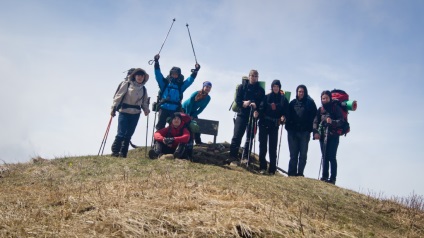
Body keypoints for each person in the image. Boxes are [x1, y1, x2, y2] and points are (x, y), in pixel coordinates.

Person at [153, 54, 200, 130]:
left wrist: (195, 71)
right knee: (160, 126)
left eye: (176, 74)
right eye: (173, 74)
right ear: (170, 74)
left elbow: (189, 81)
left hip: (174, 109)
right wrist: (156, 62)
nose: (174, 75)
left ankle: (172, 141)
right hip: (163, 108)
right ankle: (157, 141)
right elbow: (158, 75)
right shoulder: (164, 84)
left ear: (179, 75)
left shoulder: (180, 86)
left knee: (174, 127)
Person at [227, 70, 265, 164]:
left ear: (258, 77)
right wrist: (243, 103)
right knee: (237, 136)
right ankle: (233, 156)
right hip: (242, 114)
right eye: (252, 76)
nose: (254, 77)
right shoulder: (242, 87)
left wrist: (257, 110)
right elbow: (237, 99)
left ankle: (245, 158)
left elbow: (262, 104)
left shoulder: (260, 90)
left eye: (256, 76)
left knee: (249, 138)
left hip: (253, 116)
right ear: (249, 76)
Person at [110, 68, 150, 158]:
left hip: (136, 114)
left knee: (129, 134)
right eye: (138, 75)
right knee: (121, 133)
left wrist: (146, 110)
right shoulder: (127, 84)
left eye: (142, 76)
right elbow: (118, 96)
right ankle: (115, 151)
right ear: (134, 76)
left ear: (144, 77)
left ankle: (123, 153)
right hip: (124, 112)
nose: (140, 77)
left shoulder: (143, 89)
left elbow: (144, 102)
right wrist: (113, 108)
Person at [313, 90, 345, 184]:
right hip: (323, 135)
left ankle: (332, 178)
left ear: (330, 98)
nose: (324, 100)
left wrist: (332, 122)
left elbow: (341, 121)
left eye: (326, 98)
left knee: (332, 156)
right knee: (324, 156)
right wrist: (315, 132)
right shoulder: (320, 110)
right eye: (323, 98)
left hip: (334, 136)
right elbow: (315, 121)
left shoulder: (335, 108)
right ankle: (324, 177)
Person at [257, 80, 289, 174]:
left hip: (274, 125)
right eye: (274, 86)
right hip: (263, 124)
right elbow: (261, 108)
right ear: (272, 87)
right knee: (262, 146)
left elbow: (287, 111)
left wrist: (284, 117)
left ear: (279, 88)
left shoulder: (283, 99)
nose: (275, 88)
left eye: (277, 86)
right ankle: (262, 167)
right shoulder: (266, 97)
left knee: (273, 148)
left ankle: (272, 170)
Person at [285, 85, 317, 177]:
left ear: (305, 92)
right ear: (297, 92)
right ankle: (291, 173)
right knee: (293, 154)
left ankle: (300, 173)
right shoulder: (292, 103)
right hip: (292, 132)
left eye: (302, 91)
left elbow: (315, 117)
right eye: (299, 91)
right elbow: (287, 115)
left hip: (304, 133)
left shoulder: (310, 104)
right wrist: (289, 128)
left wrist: (310, 130)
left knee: (303, 155)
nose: (301, 93)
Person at [182, 81, 212, 145]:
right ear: (203, 87)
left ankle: (198, 141)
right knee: (186, 124)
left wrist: (193, 115)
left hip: (193, 112)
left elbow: (201, 109)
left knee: (197, 125)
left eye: (209, 87)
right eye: (207, 87)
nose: (208, 88)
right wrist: (188, 115)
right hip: (184, 109)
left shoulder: (208, 98)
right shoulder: (196, 93)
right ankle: (185, 140)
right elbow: (189, 105)